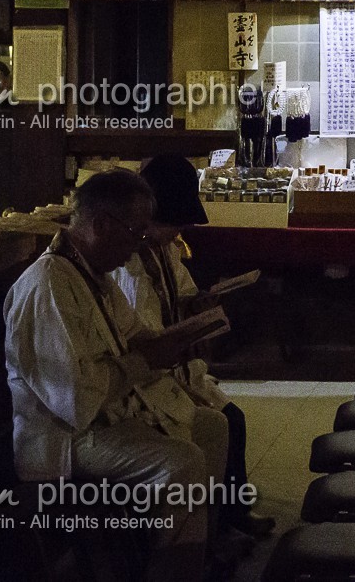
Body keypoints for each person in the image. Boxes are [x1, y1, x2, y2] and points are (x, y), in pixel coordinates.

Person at [3, 169, 229, 582]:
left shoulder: (94, 275)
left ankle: (197, 556)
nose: (140, 244)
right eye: (135, 231)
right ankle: (169, 570)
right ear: (101, 225)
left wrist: (177, 337)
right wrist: (146, 360)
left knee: (212, 426)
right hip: (64, 437)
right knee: (182, 464)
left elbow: (137, 336)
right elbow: (73, 397)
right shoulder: (48, 284)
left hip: (103, 418)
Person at [116, 155, 275, 539]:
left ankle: (227, 511)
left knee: (230, 418)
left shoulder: (164, 250)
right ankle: (218, 519)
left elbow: (182, 293)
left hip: (175, 366)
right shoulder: (127, 263)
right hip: (151, 377)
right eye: (174, 225)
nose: (177, 234)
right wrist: (186, 327)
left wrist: (200, 302)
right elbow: (143, 332)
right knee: (224, 422)